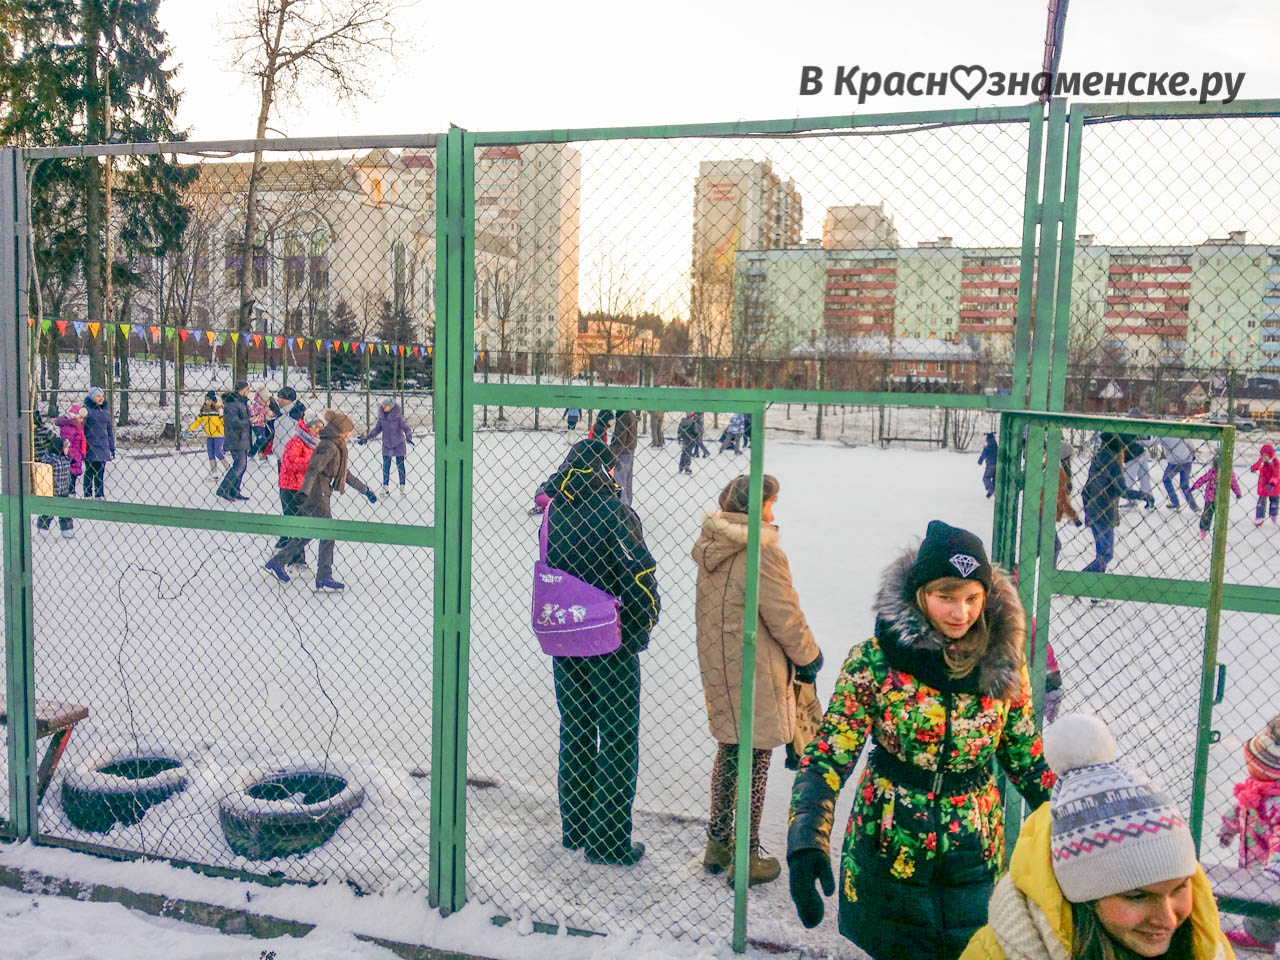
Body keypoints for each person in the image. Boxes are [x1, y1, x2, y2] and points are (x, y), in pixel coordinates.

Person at [788, 520, 1055, 960]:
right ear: (920, 594)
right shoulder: (875, 661)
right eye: (945, 597)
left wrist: (1080, 822)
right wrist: (806, 839)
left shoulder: (1003, 665)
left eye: (972, 598)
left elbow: (1028, 763)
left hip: (975, 855)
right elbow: (827, 756)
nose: (960, 613)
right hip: (889, 847)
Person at [961, 712, 1233, 960]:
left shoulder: (1205, 945)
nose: (1169, 920)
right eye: (1137, 896)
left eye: (1180, 888)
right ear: (1082, 898)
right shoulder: (993, 954)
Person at [692, 474, 822, 886]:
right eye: (770, 503)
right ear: (756, 506)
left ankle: (718, 842)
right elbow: (784, 613)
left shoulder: (715, 543)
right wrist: (810, 657)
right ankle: (746, 856)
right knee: (756, 759)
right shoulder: (760, 550)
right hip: (755, 668)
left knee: (731, 751)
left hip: (722, 665)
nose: (773, 511)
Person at [539, 438, 660, 866]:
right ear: (605, 471)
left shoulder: (557, 511)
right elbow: (639, 576)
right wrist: (642, 626)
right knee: (618, 738)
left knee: (575, 729)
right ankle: (608, 840)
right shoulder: (616, 514)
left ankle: (576, 828)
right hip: (611, 641)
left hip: (566, 635)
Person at [265, 410, 376, 591]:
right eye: (348, 431)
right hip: (317, 496)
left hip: (321, 493)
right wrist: (305, 492)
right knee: (328, 532)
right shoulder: (329, 446)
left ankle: (278, 561)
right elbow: (313, 470)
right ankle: (324, 575)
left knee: (309, 533)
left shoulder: (336, 446)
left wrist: (366, 490)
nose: (350, 435)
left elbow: (344, 474)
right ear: (340, 431)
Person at [1218, 714, 1280, 951]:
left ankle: (1261, 940)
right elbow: (1241, 807)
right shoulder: (1259, 788)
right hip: (1255, 860)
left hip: (1270, 869)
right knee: (1259, 906)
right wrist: (1229, 828)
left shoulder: (1276, 802)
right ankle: (1262, 937)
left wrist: (1275, 868)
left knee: (1265, 905)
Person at [1081, 433, 1127, 574]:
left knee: (1101, 555)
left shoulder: (1097, 459)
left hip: (1093, 511)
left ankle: (1095, 591)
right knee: (1107, 555)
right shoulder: (1114, 462)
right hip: (1106, 513)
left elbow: (1086, 489)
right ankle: (1082, 578)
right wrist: (1143, 495)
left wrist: (1088, 509)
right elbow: (1121, 489)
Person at [359, 397, 413, 496]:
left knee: (400, 465)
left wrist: (408, 437)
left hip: (399, 444)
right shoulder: (382, 418)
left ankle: (402, 486)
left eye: (386, 405)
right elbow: (377, 430)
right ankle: (385, 487)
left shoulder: (399, 418)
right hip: (387, 445)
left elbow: (407, 428)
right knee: (386, 466)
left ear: (391, 407)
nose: (383, 407)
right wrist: (367, 438)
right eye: (383, 405)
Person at [216, 380, 252, 502]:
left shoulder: (240, 402)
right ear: (242, 390)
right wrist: (249, 421)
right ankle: (224, 489)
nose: (249, 392)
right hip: (236, 438)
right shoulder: (232, 404)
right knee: (239, 465)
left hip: (242, 438)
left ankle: (234, 490)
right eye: (248, 389)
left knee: (242, 466)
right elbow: (234, 422)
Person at [35, 433, 75, 538]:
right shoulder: (50, 459)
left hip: (64, 490)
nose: (67, 449)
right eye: (66, 447)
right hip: (51, 491)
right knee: (48, 511)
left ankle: (67, 529)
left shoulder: (65, 459)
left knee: (65, 511)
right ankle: (42, 528)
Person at [1190, 463, 1242, 541]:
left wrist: (1237, 492)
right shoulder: (1212, 472)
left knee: (1220, 517)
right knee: (1207, 515)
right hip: (1210, 499)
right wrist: (1195, 486)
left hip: (1221, 500)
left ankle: (1219, 532)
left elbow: (1234, 484)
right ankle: (1203, 530)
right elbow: (1203, 479)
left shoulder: (1229, 474)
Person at [82, 386, 115, 500]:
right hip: (90, 445)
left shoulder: (106, 411)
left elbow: (109, 429)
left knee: (100, 472)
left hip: (103, 445)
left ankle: (99, 493)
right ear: (92, 397)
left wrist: (112, 446)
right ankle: (87, 493)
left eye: (102, 396)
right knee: (90, 471)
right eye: (97, 396)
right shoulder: (86, 410)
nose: (101, 398)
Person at [187, 391, 225, 479]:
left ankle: (228, 467)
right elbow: (198, 421)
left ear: (213, 400)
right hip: (209, 435)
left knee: (218, 452)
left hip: (218, 434)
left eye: (209, 400)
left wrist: (221, 414)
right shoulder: (204, 410)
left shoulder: (218, 409)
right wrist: (189, 430)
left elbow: (224, 422)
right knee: (210, 453)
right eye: (206, 399)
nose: (207, 401)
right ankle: (214, 473)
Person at [1160, 434, 1199, 511]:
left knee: (1166, 479)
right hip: (1187, 460)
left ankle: (1175, 502)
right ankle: (1194, 506)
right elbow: (1190, 445)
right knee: (1184, 485)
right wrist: (1192, 455)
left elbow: (1150, 443)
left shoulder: (1163, 435)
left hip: (1175, 462)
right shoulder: (1180, 432)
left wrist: (1137, 442)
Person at [55, 404, 87, 496]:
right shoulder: (70, 428)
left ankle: (70, 493)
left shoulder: (76, 426)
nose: (82, 421)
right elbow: (69, 443)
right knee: (70, 478)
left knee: (72, 478)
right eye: (80, 418)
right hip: (71, 456)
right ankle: (70, 494)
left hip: (75, 455)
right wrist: (73, 455)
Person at [611, 409, 639, 506]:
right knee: (627, 481)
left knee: (620, 481)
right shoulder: (631, 414)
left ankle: (623, 506)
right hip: (629, 451)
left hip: (622, 452)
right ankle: (628, 504)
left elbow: (620, 437)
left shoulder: (623, 416)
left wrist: (614, 454)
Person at [1249, 442, 1279, 527]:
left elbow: (1276, 474)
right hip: (1263, 485)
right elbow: (1254, 468)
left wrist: (1272, 483)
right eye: (1262, 455)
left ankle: (1273, 513)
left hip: (1273, 486)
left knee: (1274, 501)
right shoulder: (1262, 461)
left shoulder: (1275, 462)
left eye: (1266, 455)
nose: (1264, 457)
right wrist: (1257, 465)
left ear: (1270, 454)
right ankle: (1260, 517)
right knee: (1261, 502)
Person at [248, 385, 273, 459]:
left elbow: (267, 413)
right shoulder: (256, 405)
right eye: (266, 398)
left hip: (263, 424)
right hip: (257, 424)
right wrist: (254, 417)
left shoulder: (265, 405)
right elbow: (253, 413)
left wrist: (269, 414)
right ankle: (253, 452)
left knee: (267, 438)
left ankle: (262, 453)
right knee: (261, 439)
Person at [978, 432, 998, 498]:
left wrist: (980, 461)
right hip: (998, 466)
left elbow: (983, 456)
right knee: (995, 479)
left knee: (986, 478)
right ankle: (996, 492)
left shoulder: (987, 448)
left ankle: (991, 489)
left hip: (990, 465)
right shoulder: (997, 447)